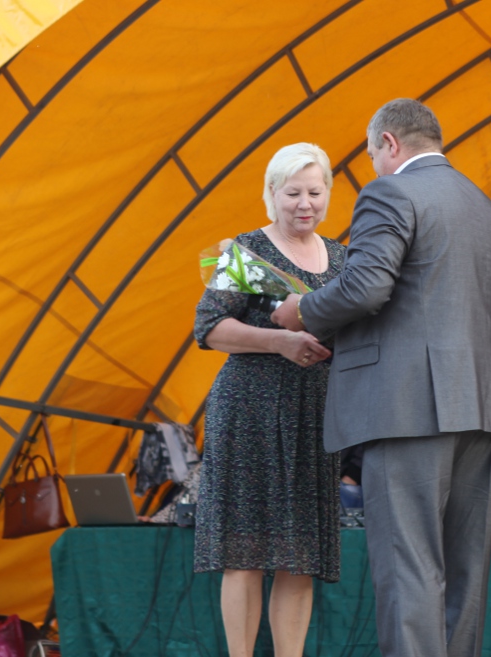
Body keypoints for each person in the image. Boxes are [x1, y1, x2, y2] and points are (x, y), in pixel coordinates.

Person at [272, 99, 491, 657]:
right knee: (465, 573)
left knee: (409, 566)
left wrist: (303, 310)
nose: (373, 166)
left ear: (389, 143)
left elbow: (367, 287)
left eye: (371, 154)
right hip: (484, 405)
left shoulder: (390, 192)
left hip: (409, 405)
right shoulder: (485, 206)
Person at [193, 142, 345, 657]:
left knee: (299, 556)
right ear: (272, 193)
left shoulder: (344, 258)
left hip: (313, 415)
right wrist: (279, 341)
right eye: (293, 193)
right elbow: (209, 327)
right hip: (249, 412)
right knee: (245, 551)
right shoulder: (244, 250)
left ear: (329, 193)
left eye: (315, 192)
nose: (305, 204)